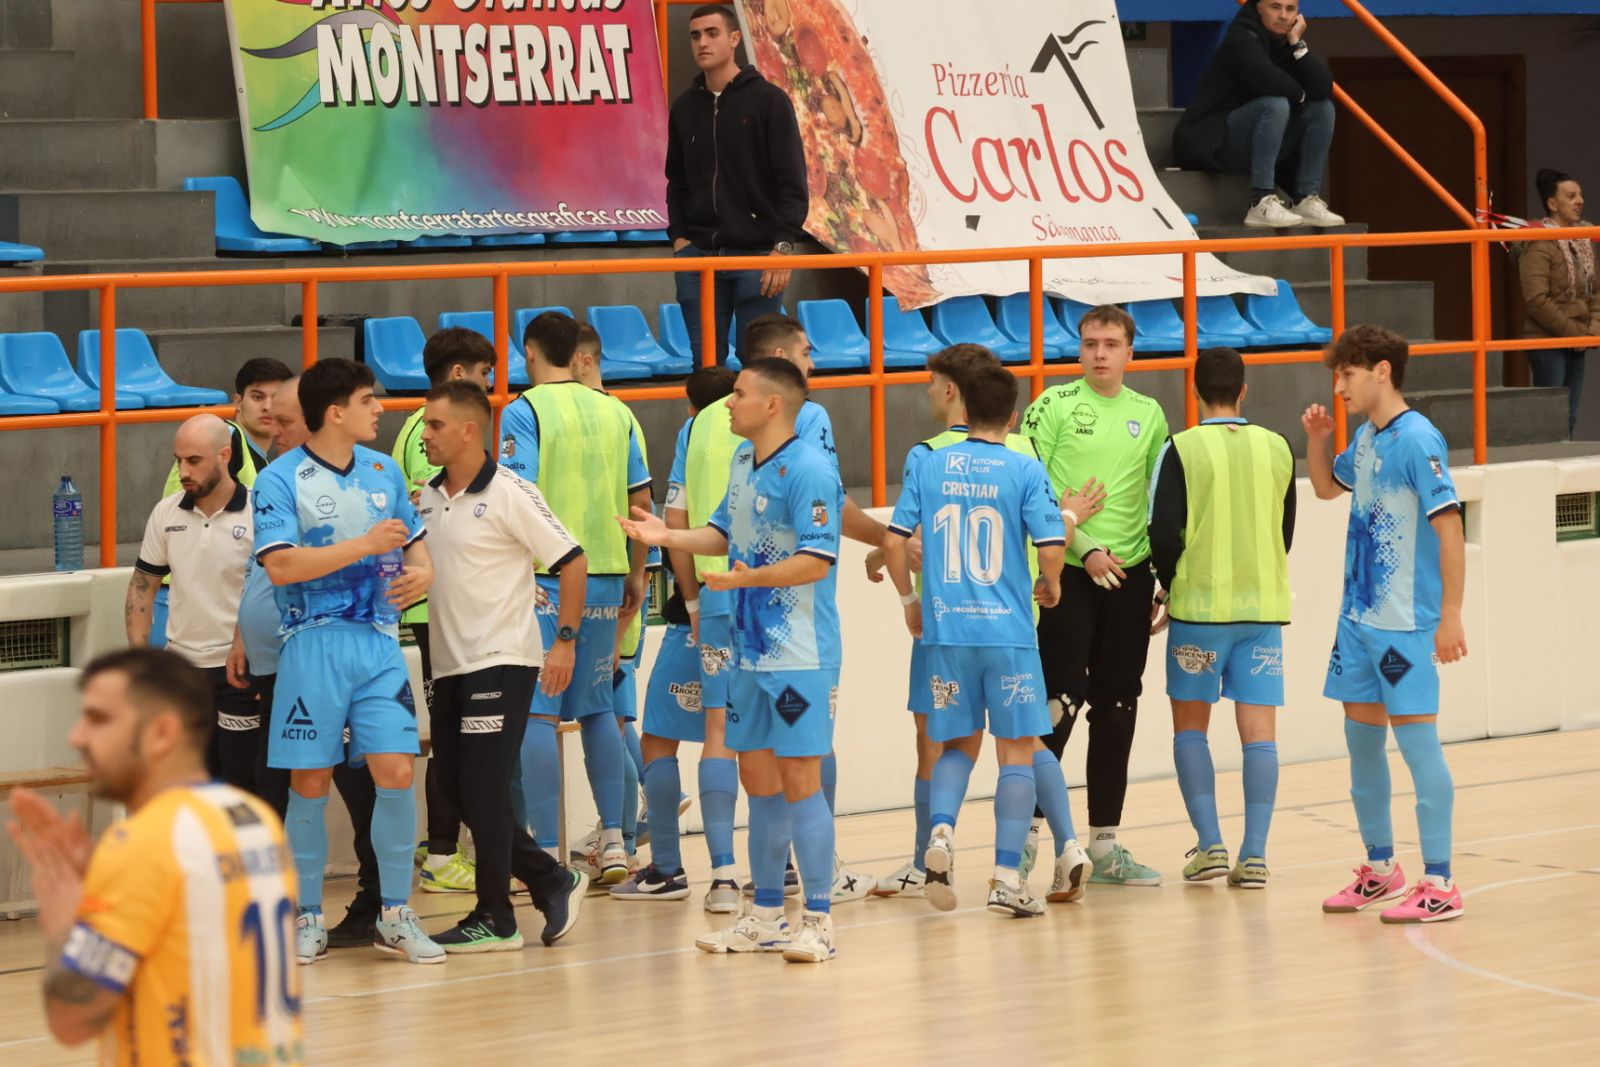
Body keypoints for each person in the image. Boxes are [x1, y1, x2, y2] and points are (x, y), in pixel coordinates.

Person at [620, 358, 844, 963]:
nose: (728, 403)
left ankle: (819, 921)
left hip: (798, 655)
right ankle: (766, 913)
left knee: (800, 781)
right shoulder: (745, 462)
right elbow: (720, 531)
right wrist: (665, 540)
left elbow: (818, 561)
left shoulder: (811, 469)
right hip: (747, 651)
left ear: (772, 405)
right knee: (758, 781)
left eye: (739, 394)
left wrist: (746, 580)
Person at [865, 345, 1099, 903]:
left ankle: (940, 835)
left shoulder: (928, 461)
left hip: (945, 632)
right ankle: (1006, 878)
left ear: (961, 401)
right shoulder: (1024, 461)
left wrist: (908, 602)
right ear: (1014, 415)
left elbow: (895, 543)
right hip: (1008, 631)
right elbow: (1049, 546)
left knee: (953, 748)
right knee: (1019, 748)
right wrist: (1055, 584)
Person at [8, 648, 303, 1066]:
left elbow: (73, 1019)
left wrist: (64, 923)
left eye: (98, 719)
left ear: (162, 732)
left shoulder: (144, 842)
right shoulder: (256, 822)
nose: (77, 737)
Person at [253, 358, 443, 964]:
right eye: (369, 400)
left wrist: (424, 577)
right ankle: (306, 916)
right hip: (312, 644)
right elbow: (280, 566)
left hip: (380, 644)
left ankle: (395, 913)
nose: (380, 409)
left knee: (397, 772)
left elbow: (416, 547)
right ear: (335, 411)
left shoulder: (385, 471)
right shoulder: (280, 480)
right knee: (309, 782)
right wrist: (363, 545)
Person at [417, 380, 591, 950]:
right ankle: (549, 877)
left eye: (436, 424)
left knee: (483, 788)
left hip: (502, 660)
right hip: (448, 665)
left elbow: (571, 560)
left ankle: (496, 916)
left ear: (469, 430)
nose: (426, 434)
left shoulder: (513, 492)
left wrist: (564, 640)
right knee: (459, 790)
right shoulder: (424, 497)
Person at [1304, 324, 1468, 924]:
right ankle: (1381, 871)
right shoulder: (1368, 437)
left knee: (1418, 746)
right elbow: (1326, 489)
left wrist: (1449, 616)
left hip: (1405, 625)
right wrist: (1320, 441)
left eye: (1346, 373)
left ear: (1382, 372)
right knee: (1361, 745)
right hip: (1358, 621)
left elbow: (1451, 527)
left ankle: (1442, 881)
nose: (1338, 384)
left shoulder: (1418, 439)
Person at [497, 311, 652, 883]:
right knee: (598, 709)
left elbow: (515, 494)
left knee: (538, 713)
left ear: (530, 351)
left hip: (547, 573)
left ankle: (548, 849)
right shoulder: (617, 410)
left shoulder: (525, 409)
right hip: (609, 571)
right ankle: (614, 841)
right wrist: (638, 571)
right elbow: (642, 502)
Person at [1022, 305, 1169, 887]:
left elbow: (1158, 498)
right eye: (1090, 343)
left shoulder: (1150, 414)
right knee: (1058, 702)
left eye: (1111, 343)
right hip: (1071, 574)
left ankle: (1105, 847)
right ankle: (1029, 840)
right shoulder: (1052, 406)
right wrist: (1085, 550)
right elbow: (1035, 491)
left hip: (1130, 580)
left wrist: (1161, 574)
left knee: (1117, 706)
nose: (1100, 353)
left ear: (1131, 353)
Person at [741, 312, 883, 901]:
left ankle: (804, 900)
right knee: (776, 768)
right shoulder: (791, 426)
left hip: (771, 630)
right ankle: (778, 896)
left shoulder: (706, 428)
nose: (814, 360)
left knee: (776, 765)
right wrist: (888, 537)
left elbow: (815, 519)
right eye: (805, 350)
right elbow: (827, 508)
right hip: (769, 630)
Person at [1148, 347, 1296, 889]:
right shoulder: (1277, 447)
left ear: (1194, 391)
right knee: (1260, 737)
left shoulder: (1181, 448)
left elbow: (1163, 532)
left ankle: (1211, 845)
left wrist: (1167, 585)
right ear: (1244, 390)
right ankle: (1254, 855)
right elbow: (1285, 529)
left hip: (1199, 613)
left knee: (1191, 731)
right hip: (1261, 613)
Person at [612, 365, 740, 905]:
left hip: (707, 606)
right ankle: (779, 868)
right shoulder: (795, 428)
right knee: (772, 739)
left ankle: (671, 867)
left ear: (691, 408)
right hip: (774, 608)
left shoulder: (698, 430)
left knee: (664, 734)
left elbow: (676, 521)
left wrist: (688, 603)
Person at [391, 328, 495, 894]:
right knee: (451, 735)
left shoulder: (418, 428)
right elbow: (424, 521)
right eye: (483, 374)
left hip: (449, 608)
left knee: (457, 733)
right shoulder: (425, 436)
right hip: (436, 609)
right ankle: (440, 853)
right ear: (459, 375)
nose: (490, 387)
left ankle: (453, 849)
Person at [126, 415, 268, 804]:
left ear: (224, 456)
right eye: (178, 461)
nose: (183, 471)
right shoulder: (166, 512)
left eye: (194, 461)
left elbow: (275, 591)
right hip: (184, 675)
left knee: (242, 788)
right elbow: (143, 584)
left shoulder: (260, 512)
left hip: (240, 672)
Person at [665, 3, 808, 363]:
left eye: (712, 33)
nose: (702, 42)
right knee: (705, 369)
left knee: (761, 367)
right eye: (695, 35)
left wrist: (784, 248)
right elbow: (676, 181)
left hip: (757, 256)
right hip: (697, 258)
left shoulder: (769, 102)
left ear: (734, 38)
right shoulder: (683, 109)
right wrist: (681, 239)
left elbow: (793, 184)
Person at [150, 358, 294, 649]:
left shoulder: (261, 457)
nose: (267, 406)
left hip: (210, 597)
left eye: (275, 398)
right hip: (180, 598)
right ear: (238, 402)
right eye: (257, 397)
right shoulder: (226, 440)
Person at [1173, 0, 1344, 229]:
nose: (1283, 15)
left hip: (1257, 141)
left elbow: (1323, 88)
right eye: (1275, 7)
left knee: (1322, 108)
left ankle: (1305, 198)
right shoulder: (1241, 38)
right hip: (1214, 142)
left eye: (1290, 9)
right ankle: (1261, 201)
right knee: (1274, 104)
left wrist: (1297, 43)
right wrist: (1302, 96)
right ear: (1258, 8)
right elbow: (1270, 81)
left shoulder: (1285, 45)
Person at [1519, 168, 1598, 438]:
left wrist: (1591, 332)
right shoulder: (1537, 242)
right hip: (1548, 341)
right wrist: (1576, 334)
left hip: (1578, 341)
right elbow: (1536, 299)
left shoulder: (1584, 243)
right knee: (1550, 417)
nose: (1580, 201)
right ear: (1552, 204)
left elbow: (1595, 291)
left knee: (1570, 415)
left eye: (1581, 195)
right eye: (1571, 196)